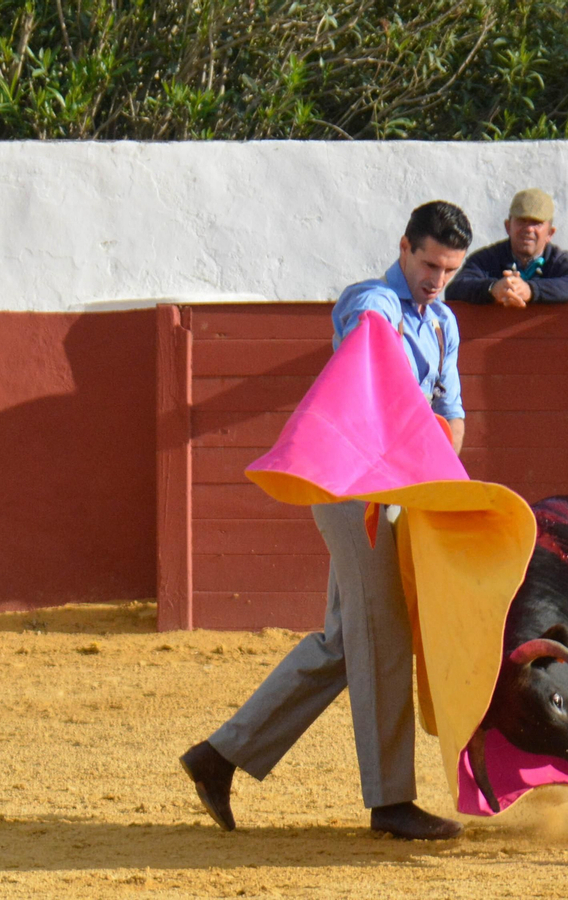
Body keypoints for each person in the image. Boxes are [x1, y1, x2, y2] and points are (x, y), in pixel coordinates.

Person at [179, 201, 472, 841]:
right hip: (352, 488)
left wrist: (435, 463)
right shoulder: (372, 303)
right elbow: (370, 335)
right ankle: (391, 802)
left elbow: (451, 415)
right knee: (384, 631)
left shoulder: (444, 323)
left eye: (449, 270)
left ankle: (219, 757)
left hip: (400, 488)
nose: (436, 280)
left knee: (347, 641)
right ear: (404, 248)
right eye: (428, 264)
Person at [445, 188, 568, 307]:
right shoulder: (486, 259)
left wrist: (531, 290)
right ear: (508, 226)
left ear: (550, 233)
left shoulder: (560, 261)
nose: (528, 229)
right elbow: (455, 289)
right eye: (522, 221)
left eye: (536, 223)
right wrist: (493, 289)